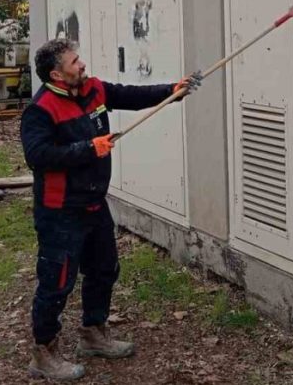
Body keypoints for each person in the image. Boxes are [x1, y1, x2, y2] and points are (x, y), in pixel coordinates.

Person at [20, 38, 202, 381]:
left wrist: (173, 91)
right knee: (56, 282)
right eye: (75, 62)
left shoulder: (93, 89)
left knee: (104, 269)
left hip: (93, 203)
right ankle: (44, 353)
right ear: (57, 75)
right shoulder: (41, 110)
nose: (83, 65)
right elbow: (38, 157)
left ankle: (93, 333)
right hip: (60, 211)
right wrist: (88, 149)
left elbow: (129, 95)